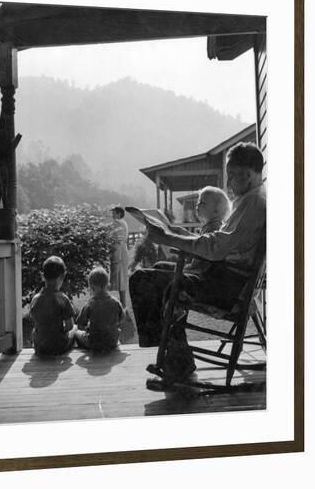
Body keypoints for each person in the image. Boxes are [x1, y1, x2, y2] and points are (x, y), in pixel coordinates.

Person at [129, 142, 266, 389]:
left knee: (154, 282)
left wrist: (167, 238)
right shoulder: (250, 200)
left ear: (247, 174)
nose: (229, 184)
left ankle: (178, 366)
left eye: (232, 176)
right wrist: (173, 235)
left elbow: (214, 247)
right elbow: (219, 241)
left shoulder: (254, 204)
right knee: (153, 273)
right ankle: (173, 358)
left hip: (229, 286)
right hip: (226, 278)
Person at [130, 186, 232, 346]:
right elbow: (198, 242)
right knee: (159, 265)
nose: (198, 206)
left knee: (139, 277)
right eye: (198, 202)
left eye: (203, 203)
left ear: (217, 211)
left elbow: (203, 253)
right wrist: (181, 232)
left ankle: (157, 335)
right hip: (197, 272)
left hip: (200, 277)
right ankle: (166, 326)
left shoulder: (215, 228)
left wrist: (179, 241)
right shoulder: (211, 227)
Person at [29, 256, 76, 356]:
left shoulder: (35, 299)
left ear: (42, 276)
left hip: (40, 347)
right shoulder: (63, 299)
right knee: (75, 329)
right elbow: (70, 326)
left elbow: (34, 319)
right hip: (58, 346)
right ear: (62, 277)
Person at [75, 267, 126, 352]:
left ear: (91, 288)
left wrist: (88, 326)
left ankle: (85, 349)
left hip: (94, 343)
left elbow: (80, 323)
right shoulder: (116, 302)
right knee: (114, 334)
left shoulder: (90, 304)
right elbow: (122, 318)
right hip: (112, 341)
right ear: (108, 286)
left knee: (76, 333)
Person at [109, 206, 129, 309]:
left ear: (119, 214)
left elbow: (117, 240)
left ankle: (122, 305)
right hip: (121, 252)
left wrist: (115, 257)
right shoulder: (123, 223)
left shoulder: (118, 223)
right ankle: (122, 304)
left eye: (114, 212)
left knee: (120, 279)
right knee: (121, 280)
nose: (112, 214)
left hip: (119, 253)